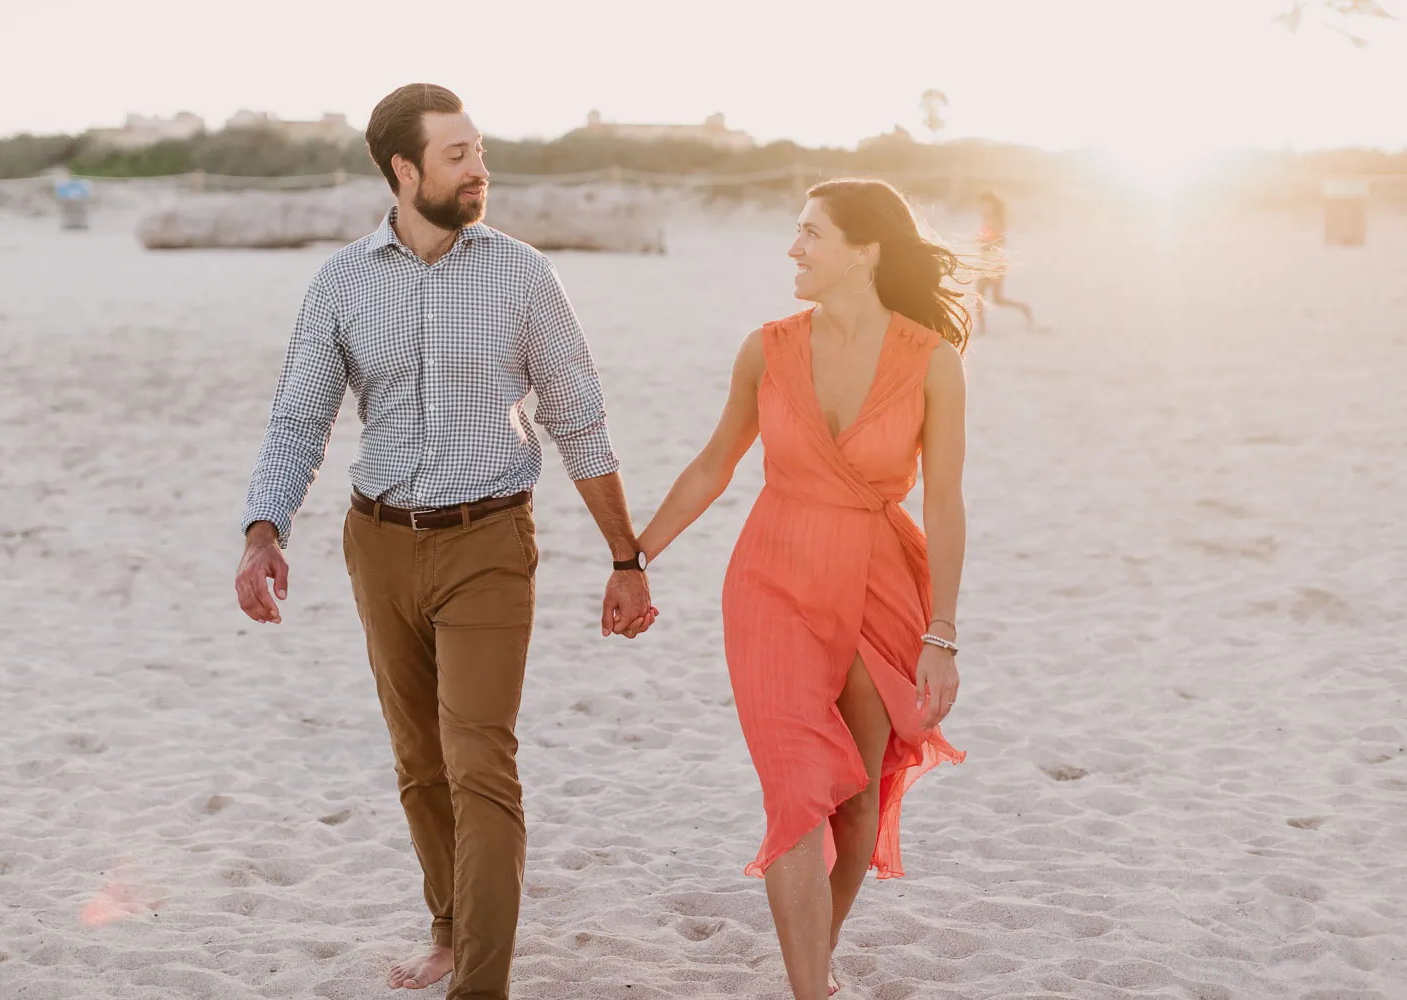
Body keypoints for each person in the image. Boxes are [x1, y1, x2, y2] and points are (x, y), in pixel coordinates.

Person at [232, 83, 657, 1000]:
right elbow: (300, 418)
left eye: (479, 151)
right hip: (377, 544)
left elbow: (580, 420)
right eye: (458, 155)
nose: (479, 170)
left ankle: (481, 986)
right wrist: (265, 529)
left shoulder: (523, 274)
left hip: (490, 543)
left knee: (479, 761)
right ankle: (450, 929)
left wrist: (626, 558)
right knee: (420, 763)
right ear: (403, 170)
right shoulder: (342, 282)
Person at [636, 178, 968, 1000]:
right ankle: (810, 993)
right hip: (773, 580)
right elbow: (716, 464)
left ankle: (811, 964)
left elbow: (947, 501)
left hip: (880, 584)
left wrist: (943, 633)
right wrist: (634, 556)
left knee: (854, 802)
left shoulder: (932, 361)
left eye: (811, 234)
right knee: (795, 789)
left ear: (866, 250)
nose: (794, 248)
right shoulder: (768, 348)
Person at [974, 190, 1034, 330]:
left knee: (986, 297)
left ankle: (983, 329)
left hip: (994, 262)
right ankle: (1023, 308)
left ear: (992, 205)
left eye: (986, 205)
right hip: (987, 261)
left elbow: (997, 241)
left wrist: (985, 243)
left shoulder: (996, 221)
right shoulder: (988, 220)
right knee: (993, 298)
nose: (983, 208)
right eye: (982, 205)